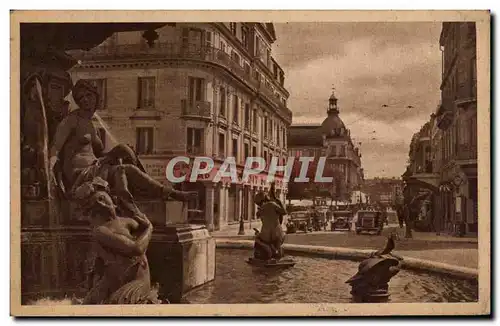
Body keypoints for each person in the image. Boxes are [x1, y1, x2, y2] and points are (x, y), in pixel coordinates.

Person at [48, 79, 196, 207]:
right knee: (123, 149)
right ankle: (161, 194)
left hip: (96, 169)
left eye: (88, 95)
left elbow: (100, 154)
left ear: (96, 96)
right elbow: (55, 148)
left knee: (127, 168)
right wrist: (49, 170)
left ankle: (169, 193)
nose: (85, 100)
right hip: (79, 175)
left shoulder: (91, 125)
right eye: (80, 98)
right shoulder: (71, 120)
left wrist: (113, 158)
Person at [77, 177, 161, 304]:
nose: (101, 203)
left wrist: (144, 224)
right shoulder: (101, 231)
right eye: (97, 202)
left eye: (103, 198)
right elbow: (136, 249)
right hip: (122, 283)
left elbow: (141, 235)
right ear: (93, 211)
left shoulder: (126, 221)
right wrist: (149, 228)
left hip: (138, 281)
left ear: (112, 200)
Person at [254, 191, 287, 260]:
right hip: (278, 234)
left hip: (266, 236)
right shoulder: (272, 204)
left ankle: (268, 249)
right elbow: (284, 212)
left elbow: (259, 216)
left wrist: (258, 233)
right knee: (281, 236)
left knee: (257, 238)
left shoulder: (259, 211)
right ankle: (276, 251)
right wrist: (279, 202)